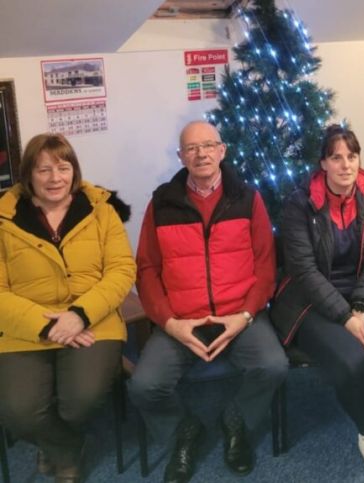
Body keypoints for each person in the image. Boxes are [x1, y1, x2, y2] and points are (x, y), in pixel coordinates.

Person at [127, 120, 288, 483]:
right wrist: (170, 323)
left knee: (274, 365)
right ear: (181, 156)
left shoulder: (248, 198)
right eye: (191, 148)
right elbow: (147, 269)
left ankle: (237, 419)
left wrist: (245, 315)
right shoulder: (162, 202)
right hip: (182, 321)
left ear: (222, 151)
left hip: (239, 315)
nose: (201, 154)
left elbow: (265, 266)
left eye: (208, 145)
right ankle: (183, 430)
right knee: (144, 385)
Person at [270, 125, 364, 483]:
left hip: (363, 286)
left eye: (351, 155)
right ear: (323, 163)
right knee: (352, 361)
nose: (346, 165)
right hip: (312, 296)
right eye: (336, 157)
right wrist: (346, 317)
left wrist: (361, 305)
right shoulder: (299, 203)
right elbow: (303, 270)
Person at [0, 133, 136, 483]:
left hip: (93, 320)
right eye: (43, 169)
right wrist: (45, 325)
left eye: (63, 167)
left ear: (74, 171)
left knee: (80, 401)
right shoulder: (4, 219)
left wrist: (79, 315)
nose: (54, 177)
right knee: (18, 411)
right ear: (28, 175)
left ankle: (57, 448)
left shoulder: (102, 210)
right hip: (26, 328)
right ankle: (67, 449)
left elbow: (122, 270)